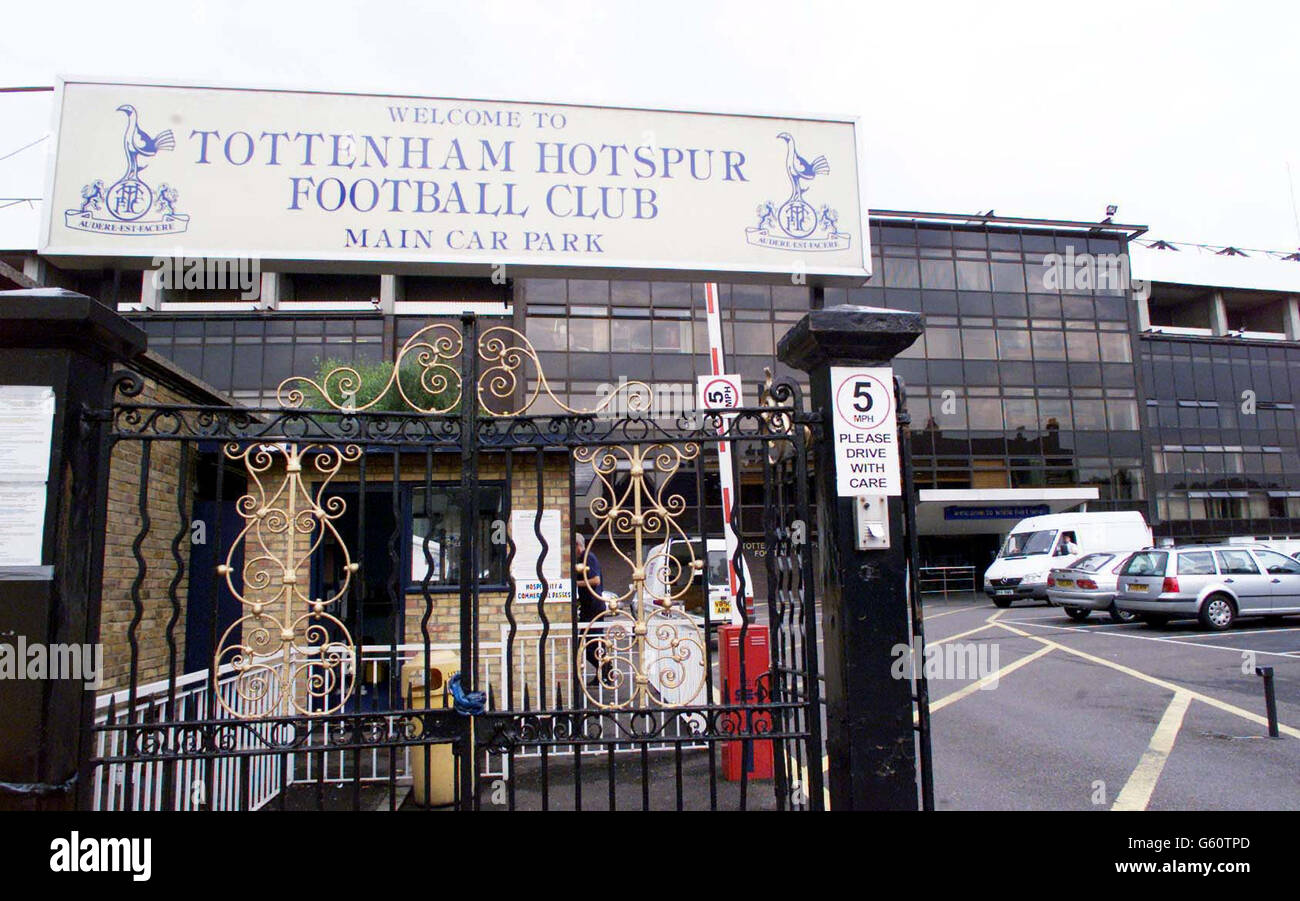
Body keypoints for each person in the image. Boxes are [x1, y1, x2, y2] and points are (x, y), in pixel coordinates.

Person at [574, 532, 610, 684]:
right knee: (590, 644)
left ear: (577, 545)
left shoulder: (588, 557)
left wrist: (575, 584)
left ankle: (607, 672)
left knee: (590, 645)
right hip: (588, 608)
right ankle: (603, 674)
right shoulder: (582, 559)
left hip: (594, 608)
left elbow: (595, 580)